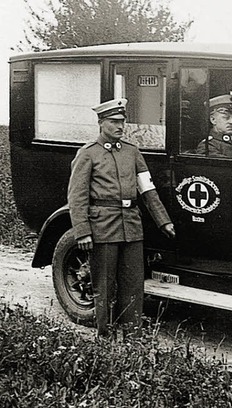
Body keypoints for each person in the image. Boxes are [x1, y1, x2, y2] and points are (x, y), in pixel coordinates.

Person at [67, 98, 176, 338]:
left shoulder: (132, 152)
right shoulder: (88, 154)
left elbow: (147, 189)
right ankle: (105, 335)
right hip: (103, 226)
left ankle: (132, 334)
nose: (120, 126)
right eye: (114, 121)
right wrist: (83, 231)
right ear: (101, 123)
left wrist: (163, 220)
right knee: (104, 285)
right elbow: (77, 197)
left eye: (122, 121)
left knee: (133, 283)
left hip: (131, 225)